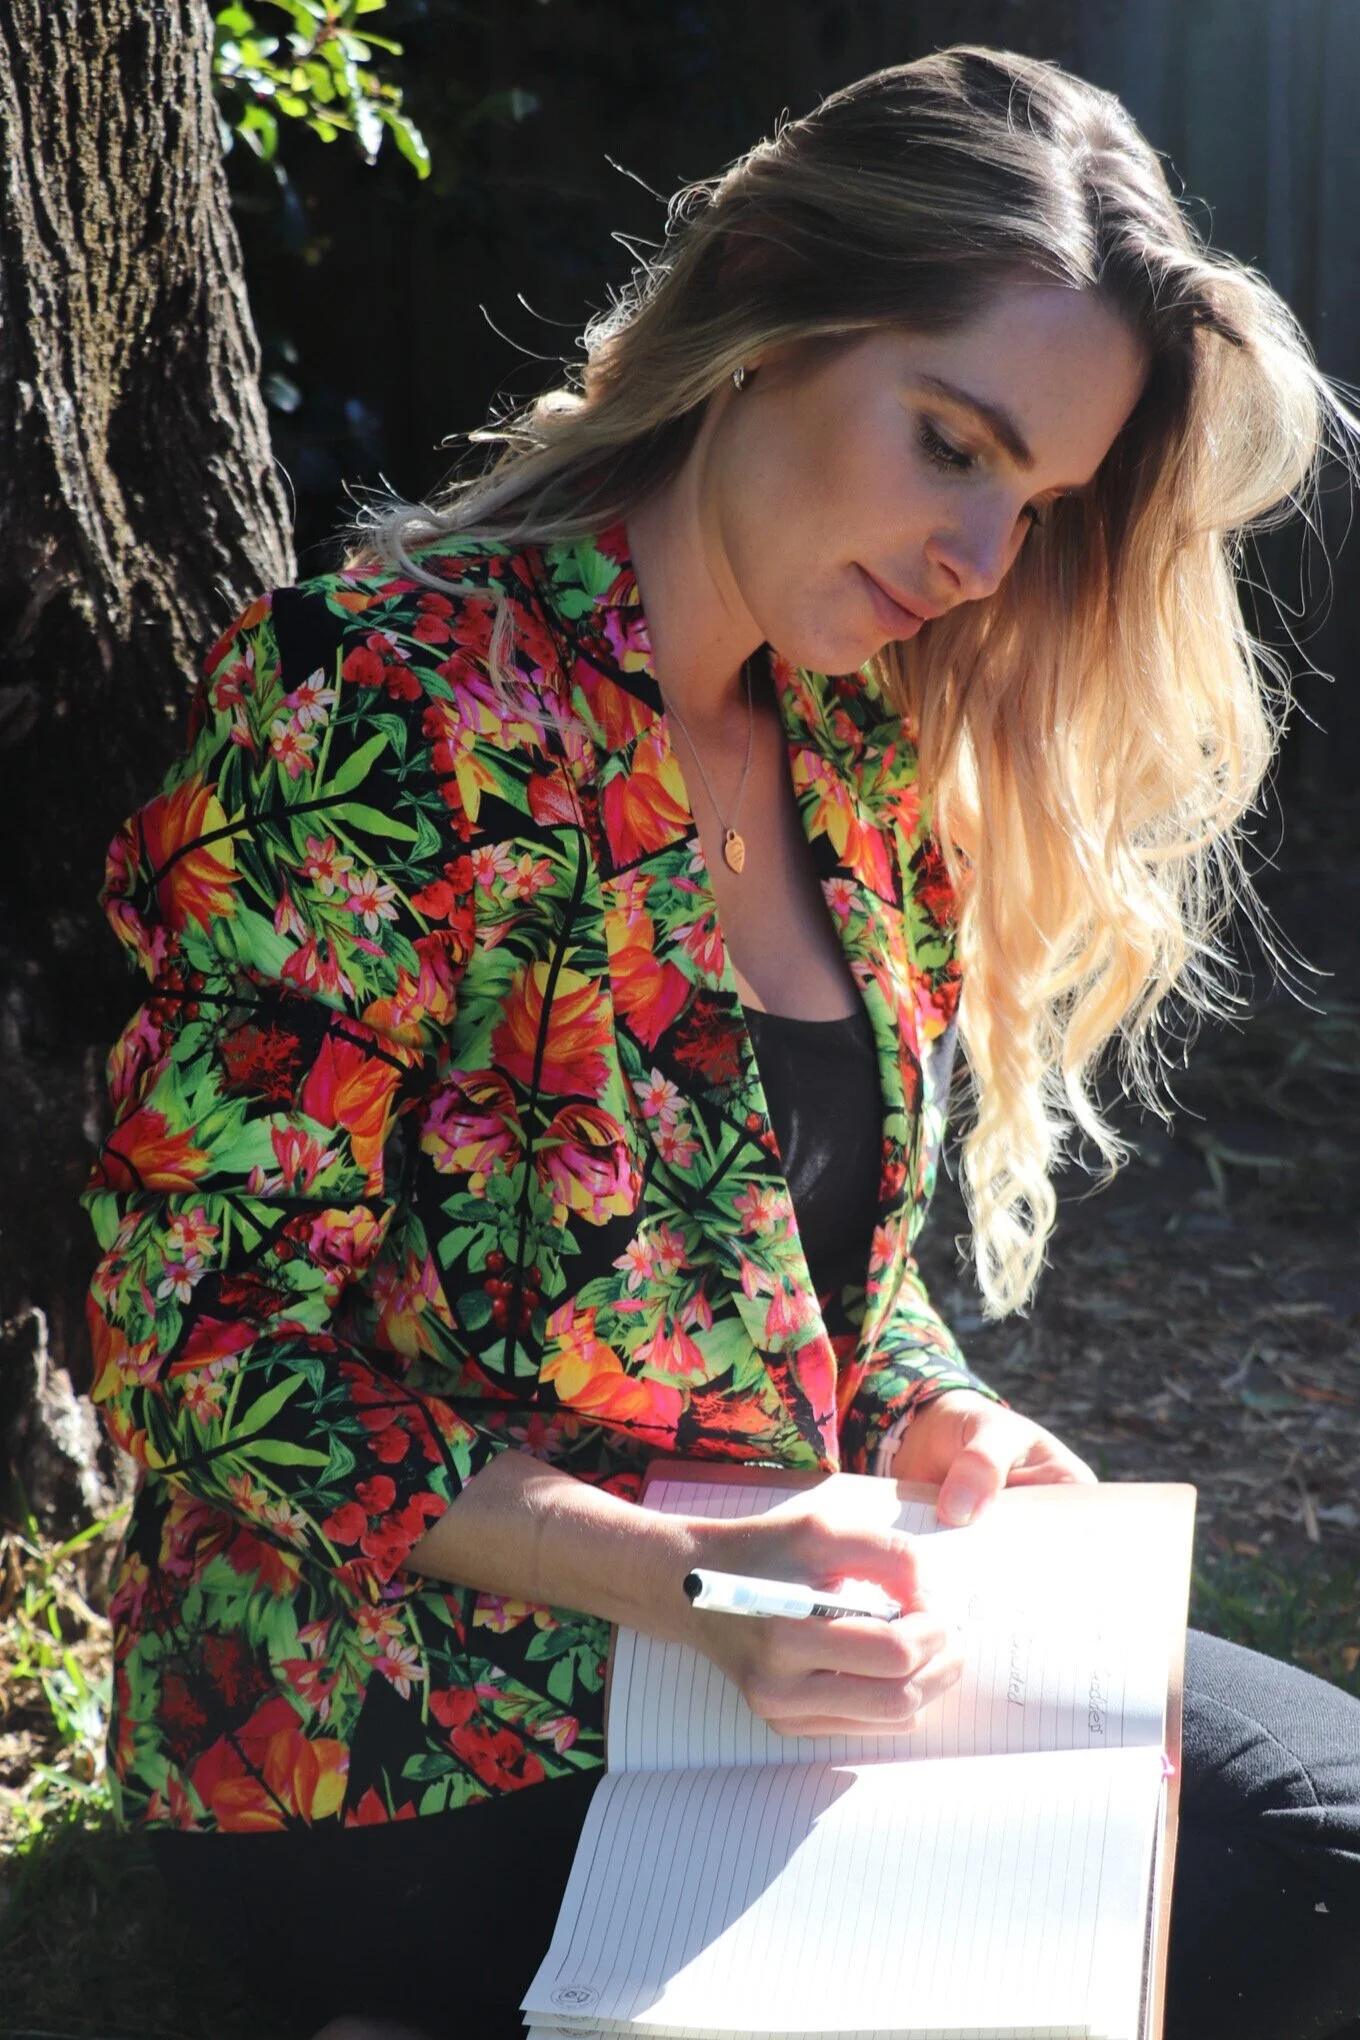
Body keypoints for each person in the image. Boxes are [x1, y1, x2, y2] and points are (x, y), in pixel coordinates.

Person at [82, 44, 1360, 2040]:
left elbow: (803, 1269)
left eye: (1029, 501)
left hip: (779, 1662)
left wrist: (928, 1411)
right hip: (383, 1735)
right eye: (951, 441)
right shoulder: (377, 712)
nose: (978, 561)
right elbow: (201, 1352)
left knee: (1334, 1845)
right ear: (764, 302)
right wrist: (690, 1589)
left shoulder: (849, 747)